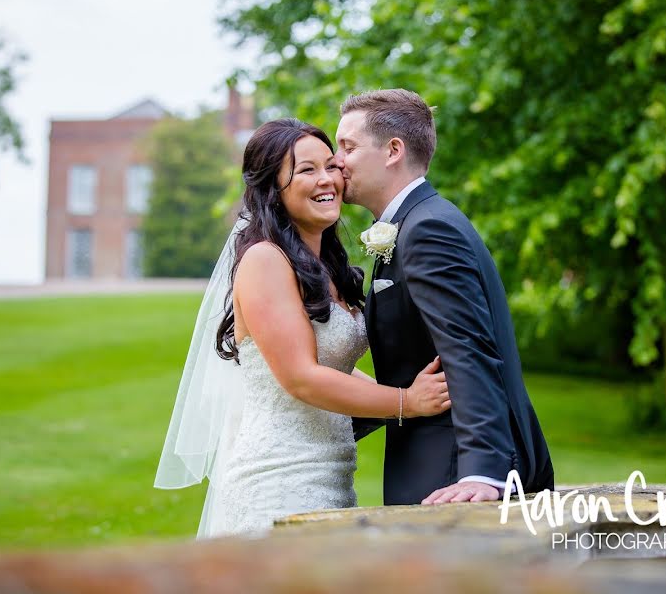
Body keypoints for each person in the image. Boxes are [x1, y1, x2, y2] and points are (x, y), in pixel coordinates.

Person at [154, 118, 451, 537]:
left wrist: (400, 388)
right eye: (307, 170)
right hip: (278, 479)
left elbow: (332, 366)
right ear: (273, 189)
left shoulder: (326, 266)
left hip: (330, 476)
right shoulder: (264, 260)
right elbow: (301, 377)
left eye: (331, 165)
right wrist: (405, 400)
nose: (327, 178)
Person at [335, 89, 554, 506]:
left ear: (393, 151)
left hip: (450, 468)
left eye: (348, 146)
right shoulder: (415, 222)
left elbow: (468, 349)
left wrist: (482, 473)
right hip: (429, 454)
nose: (336, 161)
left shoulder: (427, 230)